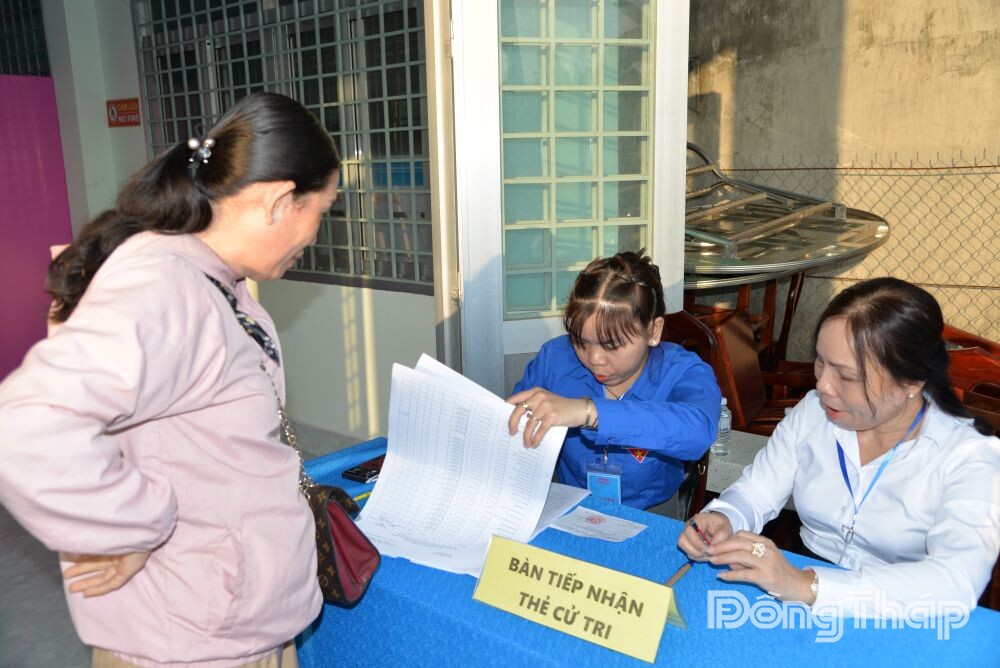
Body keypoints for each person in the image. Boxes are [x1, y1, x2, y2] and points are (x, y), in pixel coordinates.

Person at [0, 92, 341, 666]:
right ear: (280, 200)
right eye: (321, 211)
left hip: (231, 619)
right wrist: (130, 527)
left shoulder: (213, 279)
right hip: (192, 639)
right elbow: (27, 426)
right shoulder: (164, 286)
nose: (315, 235)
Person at [678, 277, 1000, 615]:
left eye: (846, 376)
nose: (823, 385)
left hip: (907, 607)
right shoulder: (813, 413)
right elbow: (756, 492)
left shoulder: (970, 457)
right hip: (802, 577)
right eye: (820, 361)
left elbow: (954, 581)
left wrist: (807, 585)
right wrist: (724, 518)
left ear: (911, 381)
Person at [506, 251, 721, 513]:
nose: (595, 359)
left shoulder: (683, 371)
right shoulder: (555, 359)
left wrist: (589, 412)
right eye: (581, 341)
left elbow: (699, 431)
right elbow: (512, 434)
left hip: (651, 510)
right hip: (568, 504)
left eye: (612, 345)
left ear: (653, 331)